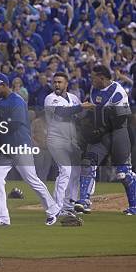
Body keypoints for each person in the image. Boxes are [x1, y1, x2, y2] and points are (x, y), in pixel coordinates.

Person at [0, 73, 60, 227]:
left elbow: (14, 125)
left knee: (31, 179)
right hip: (5, 149)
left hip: (20, 147)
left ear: (3, 85)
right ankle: (2, 217)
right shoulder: (0, 103)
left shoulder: (17, 101)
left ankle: (53, 209)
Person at [76, 65, 135, 215]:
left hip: (118, 133)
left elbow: (120, 119)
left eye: (93, 77)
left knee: (123, 173)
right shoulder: (93, 89)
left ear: (102, 78)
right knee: (88, 163)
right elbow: (95, 110)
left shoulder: (118, 92)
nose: (91, 80)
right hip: (102, 134)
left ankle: (134, 206)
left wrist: (99, 128)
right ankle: (84, 201)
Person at [43, 72, 83, 220]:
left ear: (67, 84)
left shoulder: (73, 98)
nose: (57, 85)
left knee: (75, 173)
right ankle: (57, 206)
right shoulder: (50, 98)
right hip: (56, 140)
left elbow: (80, 116)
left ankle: (68, 204)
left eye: (60, 82)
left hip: (71, 140)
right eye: (55, 82)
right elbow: (61, 112)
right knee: (65, 170)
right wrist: (81, 107)